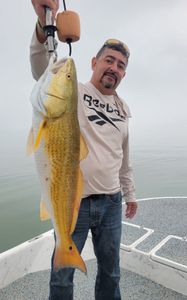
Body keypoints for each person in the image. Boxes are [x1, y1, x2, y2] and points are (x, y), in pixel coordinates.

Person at [30, 1, 138, 299]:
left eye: (121, 65)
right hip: (72, 204)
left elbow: (123, 158)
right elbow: (42, 68)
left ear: (124, 74)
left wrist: (129, 193)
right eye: (109, 60)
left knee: (111, 272)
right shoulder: (72, 91)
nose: (114, 68)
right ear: (94, 62)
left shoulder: (123, 109)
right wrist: (43, 26)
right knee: (61, 276)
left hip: (111, 204)